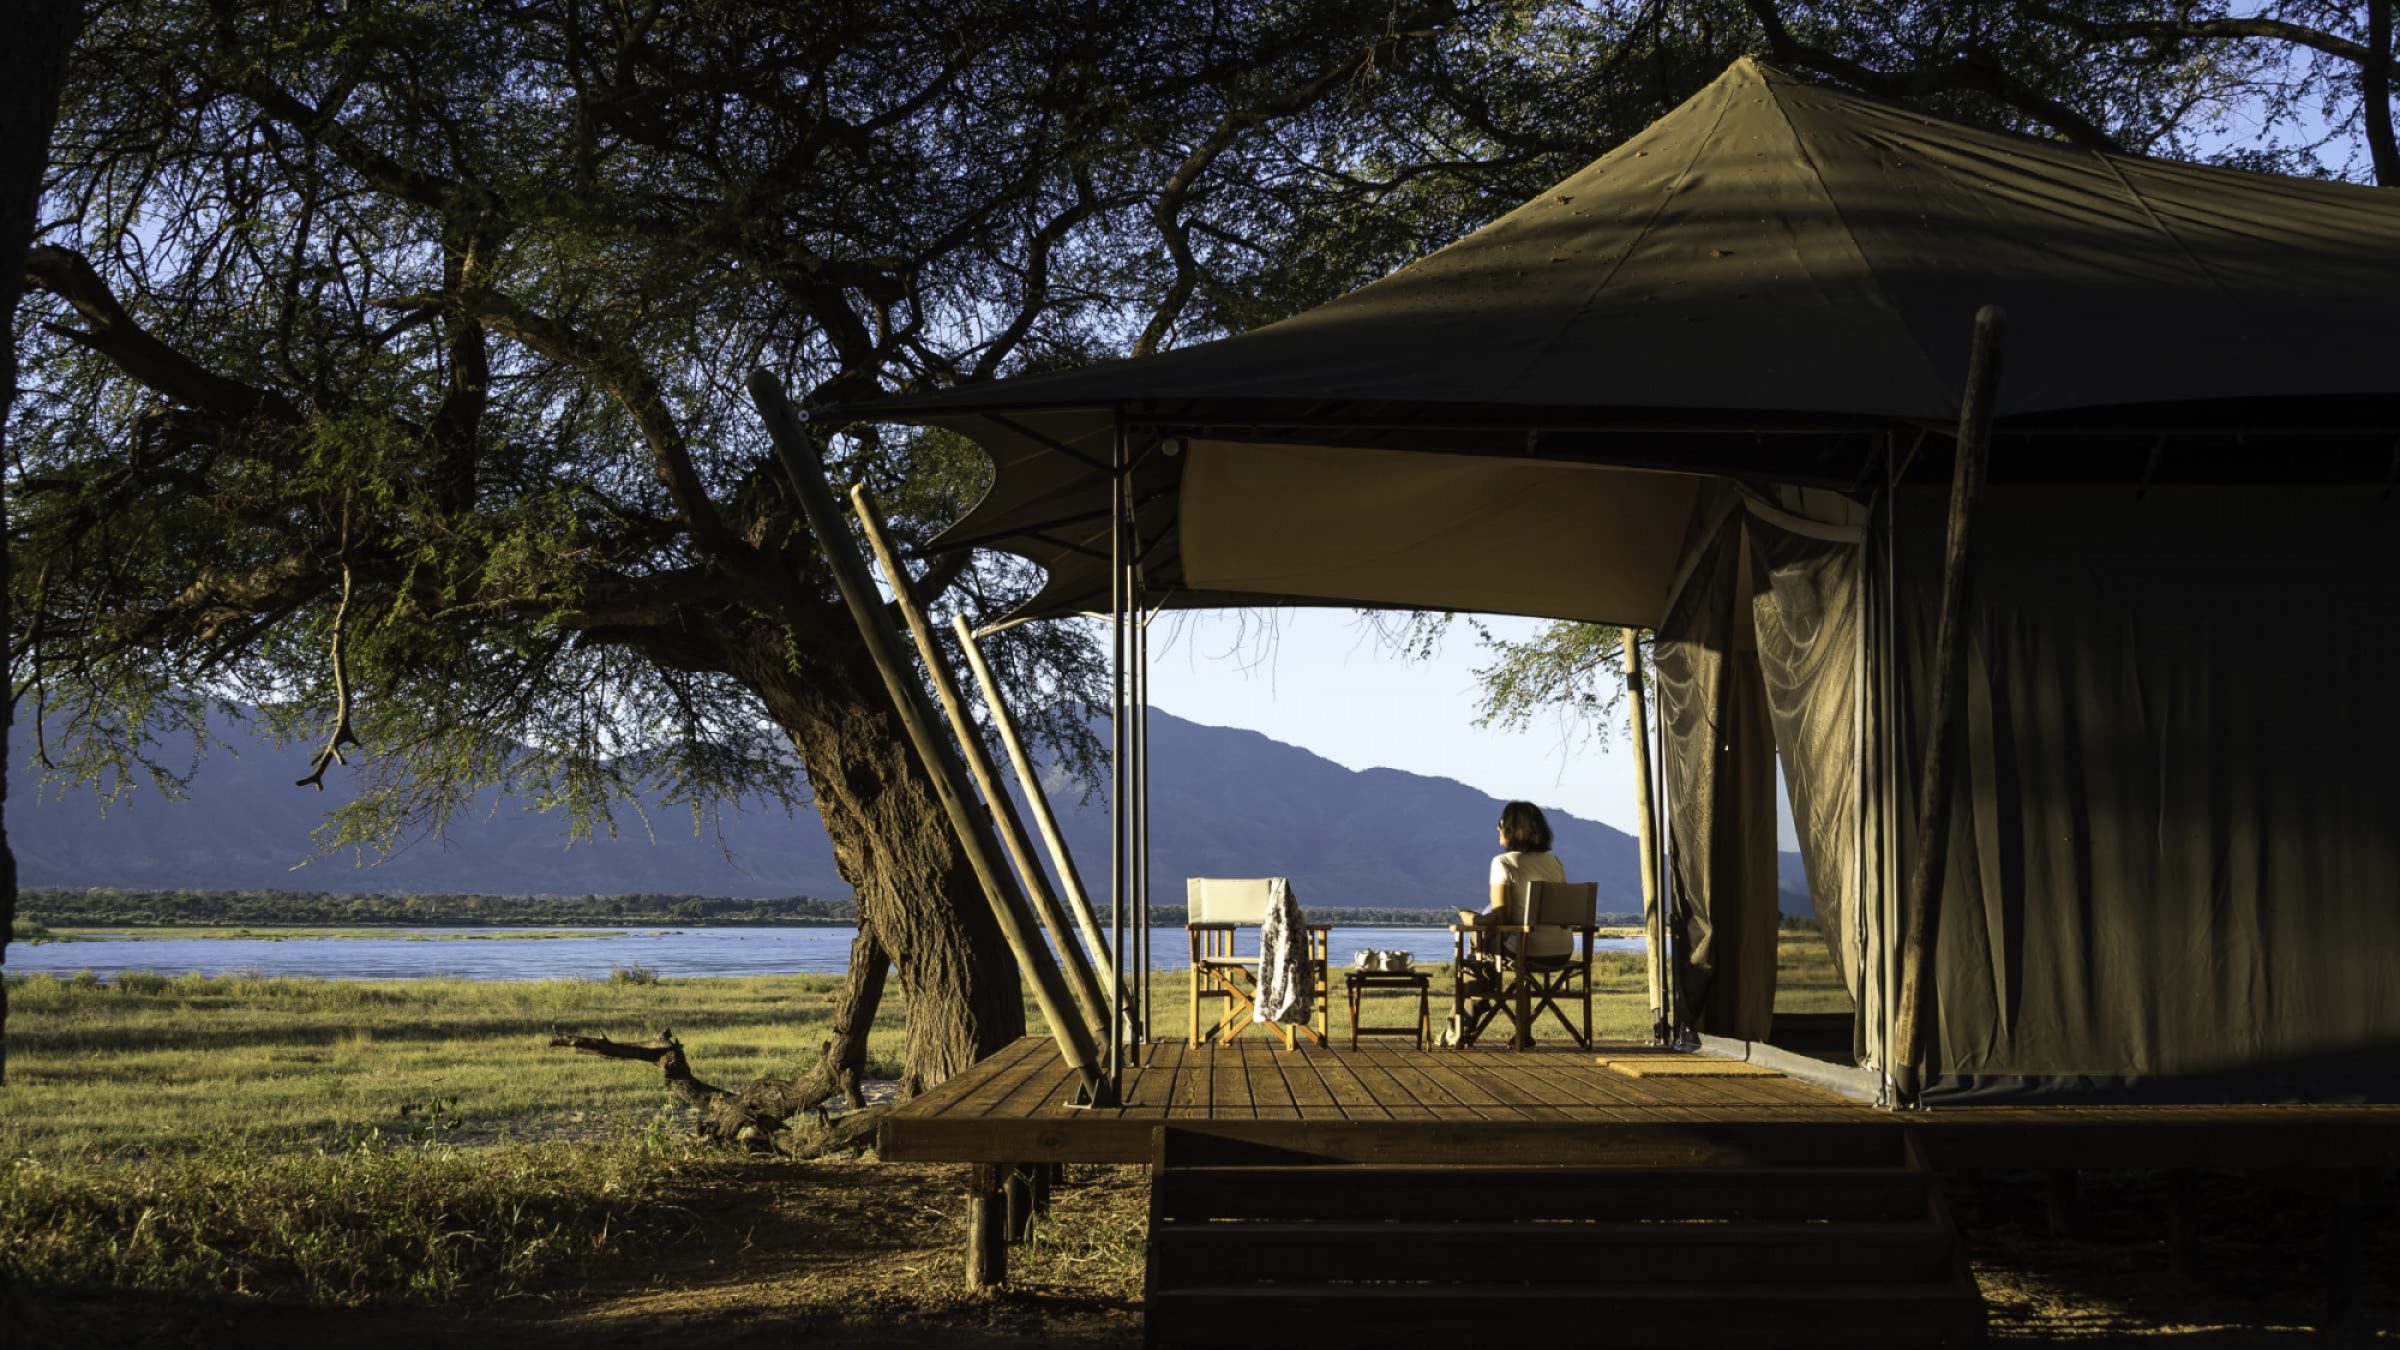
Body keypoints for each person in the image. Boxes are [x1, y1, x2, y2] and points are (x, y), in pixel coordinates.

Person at [1449, 801, 1570, 1044]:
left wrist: (1472, 918)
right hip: (1562, 950)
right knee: (1495, 950)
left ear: (1512, 829)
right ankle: (1517, 1031)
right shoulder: (1554, 862)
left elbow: (1500, 916)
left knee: (1477, 940)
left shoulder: (1503, 863)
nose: (1497, 829)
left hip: (1527, 949)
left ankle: (1473, 1005)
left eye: (1501, 825)